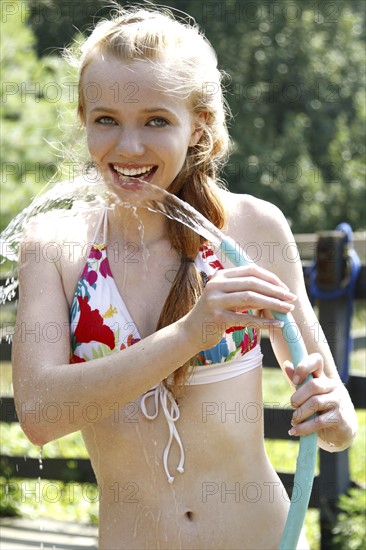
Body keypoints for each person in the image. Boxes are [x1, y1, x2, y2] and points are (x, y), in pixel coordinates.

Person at [12, 5, 357, 549]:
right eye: (106, 119)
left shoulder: (252, 228)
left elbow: (334, 422)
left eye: (156, 120)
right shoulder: (56, 246)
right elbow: (39, 414)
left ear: (198, 124)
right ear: (84, 119)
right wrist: (191, 335)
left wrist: (336, 419)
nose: (128, 147)